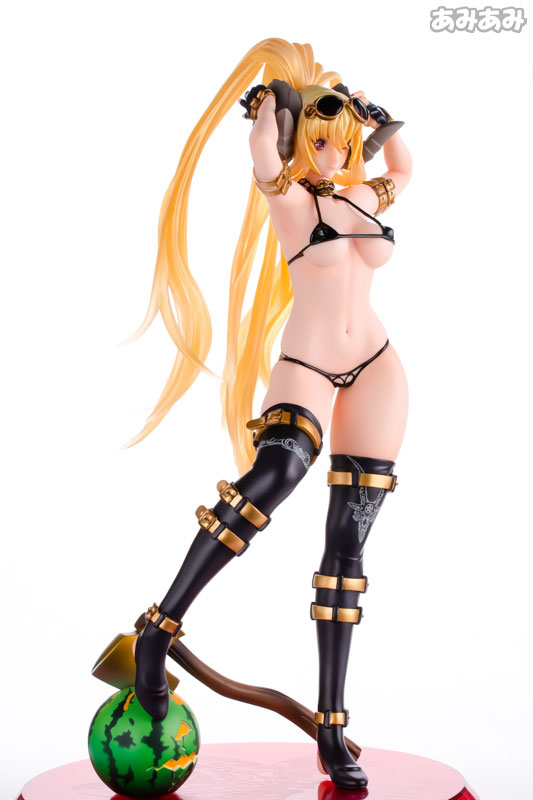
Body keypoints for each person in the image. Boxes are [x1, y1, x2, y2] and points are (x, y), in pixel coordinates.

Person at [130, 37, 411, 790]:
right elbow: (260, 151)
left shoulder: (364, 196)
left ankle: (332, 727)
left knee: (347, 549)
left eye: (340, 141)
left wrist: (381, 122)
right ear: (296, 139)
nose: (330, 153)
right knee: (274, 476)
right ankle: (159, 627)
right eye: (316, 140)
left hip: (378, 371)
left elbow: (404, 170)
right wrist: (267, 106)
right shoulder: (289, 200)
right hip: (308, 368)